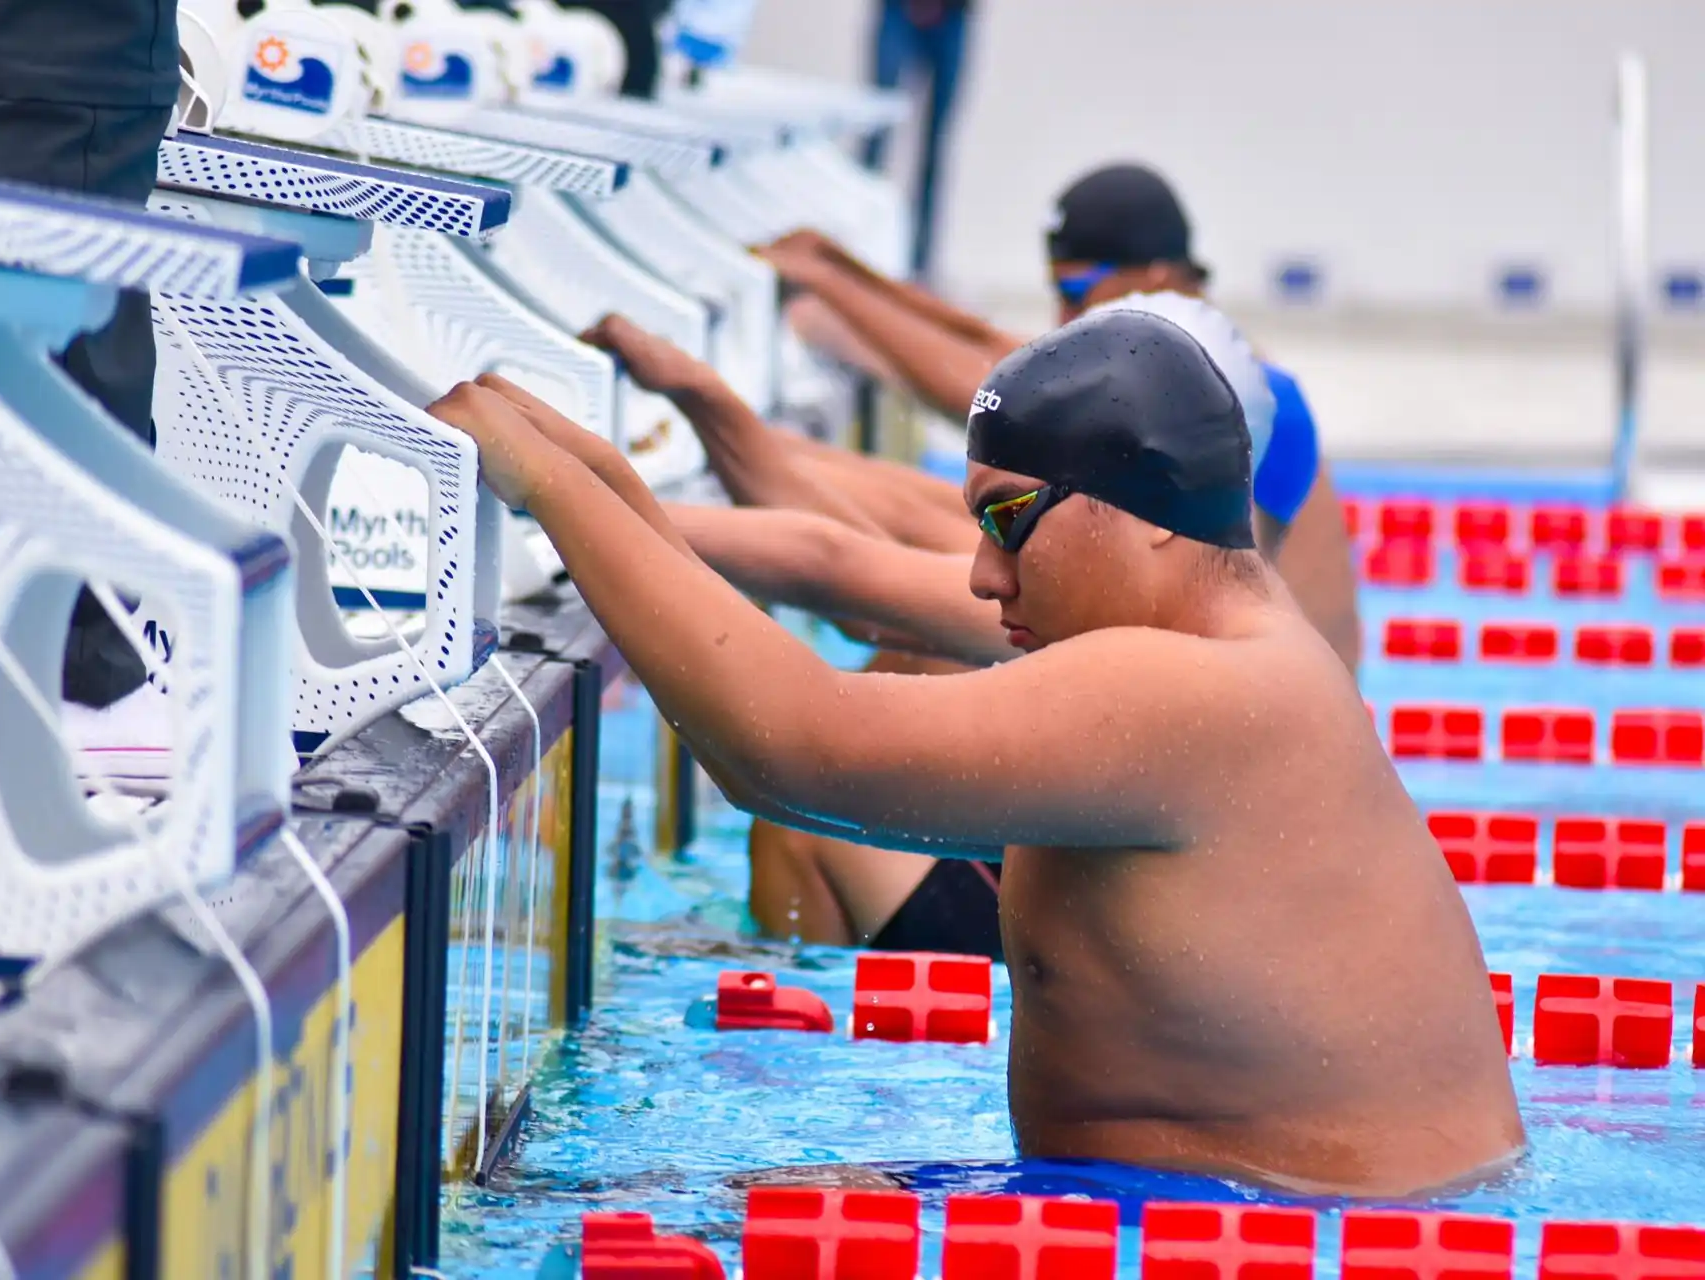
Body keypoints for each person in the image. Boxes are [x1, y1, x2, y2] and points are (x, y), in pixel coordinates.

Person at [426, 310, 1523, 1196]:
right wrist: (593, 476)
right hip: (1239, 1207)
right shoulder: (1209, 640)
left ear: (1137, 508)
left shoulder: (1203, 690)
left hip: (1305, 1231)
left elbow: (793, 751)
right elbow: (834, 589)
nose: (981, 577)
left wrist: (551, 487)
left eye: (1005, 522)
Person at [582, 295, 1275, 954]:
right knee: (921, 666)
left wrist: (569, 506)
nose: (984, 575)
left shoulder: (1166, 661)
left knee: (810, 810)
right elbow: (872, 515)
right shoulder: (1223, 595)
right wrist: (698, 409)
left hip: (1034, 972)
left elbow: (836, 581)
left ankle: (790, 996)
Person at [758, 162, 1360, 671]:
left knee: (912, 640)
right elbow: (993, 346)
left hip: (1250, 742)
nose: (1060, 315)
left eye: (1075, 293)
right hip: (1223, 693)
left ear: (1152, 278)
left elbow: (996, 401)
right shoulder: (1181, 362)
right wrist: (838, 275)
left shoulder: (1242, 395)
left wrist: (832, 298)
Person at [0, 0, 177, 740]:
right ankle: (61, 673)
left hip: (60, 65)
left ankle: (70, 682)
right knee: (34, 328)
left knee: (52, 325)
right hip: (43, 64)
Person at [863, 0, 975, 279]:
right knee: (877, 129)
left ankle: (919, 265)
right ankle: (857, 251)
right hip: (897, 8)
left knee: (935, 147)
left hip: (953, 13)